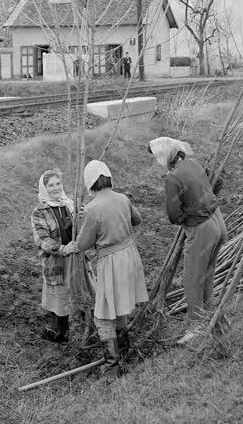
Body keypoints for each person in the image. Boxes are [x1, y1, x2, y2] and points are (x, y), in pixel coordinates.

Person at [63, 160, 149, 378]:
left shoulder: (92, 208)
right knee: (117, 305)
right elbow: (137, 220)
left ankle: (112, 366)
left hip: (110, 261)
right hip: (129, 255)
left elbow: (83, 244)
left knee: (102, 315)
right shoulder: (123, 198)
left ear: (89, 182)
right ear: (109, 177)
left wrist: (75, 237)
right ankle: (126, 351)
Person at [148, 137, 227, 345]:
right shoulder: (194, 162)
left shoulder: (173, 177)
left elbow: (173, 215)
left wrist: (188, 216)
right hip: (218, 222)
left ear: (165, 156)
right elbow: (217, 181)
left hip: (201, 229)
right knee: (206, 275)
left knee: (192, 279)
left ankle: (196, 328)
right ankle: (212, 318)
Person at [31, 170, 76, 343]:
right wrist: (62, 248)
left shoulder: (69, 205)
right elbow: (42, 240)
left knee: (80, 291)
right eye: (51, 185)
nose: (56, 188)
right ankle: (61, 334)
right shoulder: (40, 212)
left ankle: (80, 325)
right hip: (57, 261)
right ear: (44, 188)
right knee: (59, 297)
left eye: (58, 184)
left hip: (76, 257)